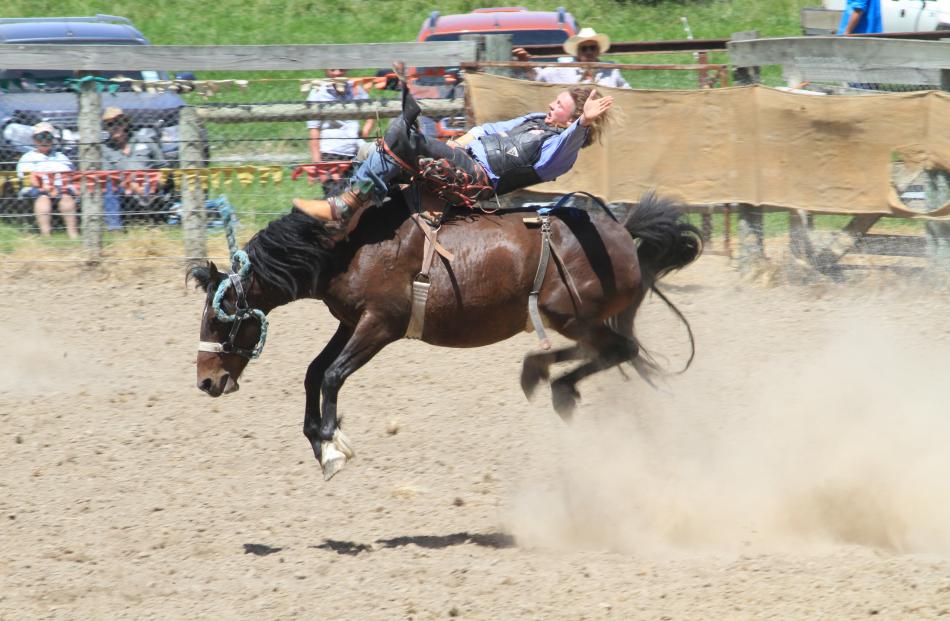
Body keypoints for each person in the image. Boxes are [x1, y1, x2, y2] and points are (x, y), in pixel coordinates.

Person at [292, 65, 613, 234]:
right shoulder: (535, 120)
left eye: (559, 106)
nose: (550, 104)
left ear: (572, 118)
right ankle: (355, 210)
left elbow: (567, 142)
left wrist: (582, 124)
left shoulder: (561, 150)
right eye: (555, 100)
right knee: (373, 151)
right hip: (463, 158)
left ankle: (342, 207)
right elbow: (488, 130)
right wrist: (458, 142)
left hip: (477, 178)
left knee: (405, 135)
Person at [306, 69, 375, 198]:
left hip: (355, 154)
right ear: (326, 70)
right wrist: (318, 164)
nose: (337, 73)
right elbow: (314, 131)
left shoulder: (355, 88)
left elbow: (371, 113)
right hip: (330, 155)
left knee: (357, 197)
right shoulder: (318, 92)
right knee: (336, 199)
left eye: (341, 69)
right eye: (333, 70)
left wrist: (364, 132)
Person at [100, 107, 168, 229]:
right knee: (109, 186)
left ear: (125, 123)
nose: (115, 127)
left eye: (119, 122)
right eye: (110, 124)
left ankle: (153, 220)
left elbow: (163, 165)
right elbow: (108, 174)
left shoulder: (145, 140)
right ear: (106, 128)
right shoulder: (105, 149)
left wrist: (158, 180)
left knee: (149, 180)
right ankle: (114, 229)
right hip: (122, 185)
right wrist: (131, 184)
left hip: (149, 181)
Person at [16, 122, 80, 239]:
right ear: (34, 140)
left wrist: (58, 186)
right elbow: (27, 179)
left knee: (66, 198)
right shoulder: (28, 157)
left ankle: (73, 234)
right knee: (43, 198)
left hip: (60, 187)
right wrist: (45, 186)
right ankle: (46, 235)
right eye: (41, 137)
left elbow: (69, 174)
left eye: (48, 137)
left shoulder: (61, 156)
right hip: (37, 188)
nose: (44, 141)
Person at [513, 27, 630, 89]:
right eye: (584, 49)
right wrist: (526, 62)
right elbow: (539, 77)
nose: (589, 52)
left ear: (598, 51)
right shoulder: (563, 70)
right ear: (577, 52)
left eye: (592, 48)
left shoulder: (610, 71)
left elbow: (627, 93)